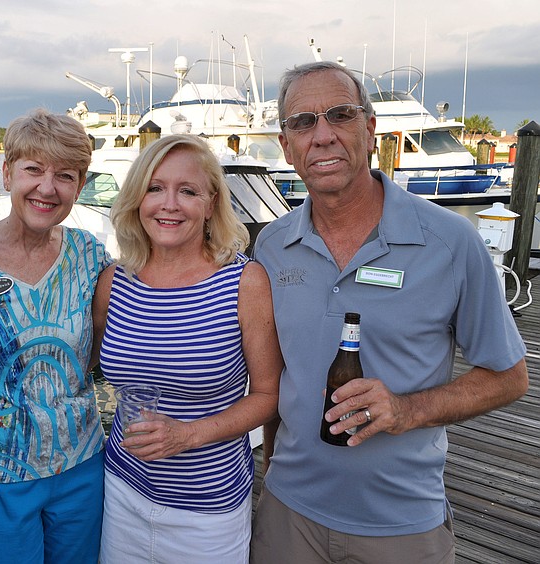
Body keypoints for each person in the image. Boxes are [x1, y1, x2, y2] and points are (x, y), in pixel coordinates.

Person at [249, 61, 529, 563]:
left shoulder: (449, 241)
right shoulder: (271, 246)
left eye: (340, 115)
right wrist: (270, 478)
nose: (323, 135)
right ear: (286, 146)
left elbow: (508, 376)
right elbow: (276, 381)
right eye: (303, 122)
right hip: (288, 515)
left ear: (371, 129)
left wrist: (405, 411)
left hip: (401, 525)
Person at [92, 134, 282, 563]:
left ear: (211, 203)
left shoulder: (244, 283)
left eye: (188, 191)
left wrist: (187, 435)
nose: (169, 204)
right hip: (122, 492)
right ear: (137, 199)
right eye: (155, 188)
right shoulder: (114, 282)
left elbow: (269, 397)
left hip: (208, 513)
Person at [0, 109, 111, 563]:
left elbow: (104, 344)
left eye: (65, 175)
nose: (47, 187)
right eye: (33, 169)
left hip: (82, 462)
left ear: (79, 186)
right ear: (5, 173)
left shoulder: (90, 253)